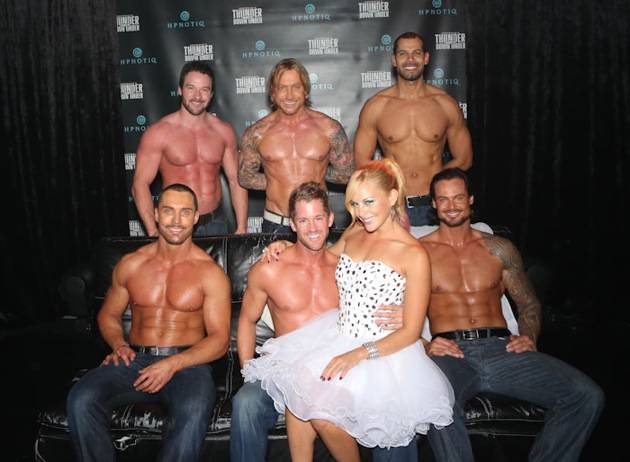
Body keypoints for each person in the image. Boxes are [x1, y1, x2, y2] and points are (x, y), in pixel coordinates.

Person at [242, 160, 454, 460]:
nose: (362, 212)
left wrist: (359, 353)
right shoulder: (355, 233)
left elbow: (410, 331)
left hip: (385, 354)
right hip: (339, 336)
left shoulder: (414, 253)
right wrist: (285, 245)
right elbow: (319, 256)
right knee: (300, 392)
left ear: (392, 197)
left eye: (369, 202)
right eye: (355, 203)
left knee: (370, 436)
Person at [420, 168, 604, 462]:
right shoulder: (419, 253)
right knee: (435, 401)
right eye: (443, 199)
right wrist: (426, 344)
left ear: (471, 199)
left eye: (458, 197)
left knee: (586, 395)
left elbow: (529, 304)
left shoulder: (500, 249)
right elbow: (398, 313)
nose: (451, 205)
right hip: (452, 353)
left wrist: (529, 336)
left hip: (502, 349)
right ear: (433, 204)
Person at [67, 184, 231, 462]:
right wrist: (118, 344)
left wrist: (172, 364)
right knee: (81, 398)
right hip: (135, 360)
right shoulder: (131, 264)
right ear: (155, 213)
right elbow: (108, 314)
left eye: (184, 212)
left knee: (193, 409)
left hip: (187, 364)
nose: (176, 220)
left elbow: (220, 340)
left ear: (195, 217)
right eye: (168, 211)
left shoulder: (210, 273)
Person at [354, 32, 472, 226]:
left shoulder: (445, 104)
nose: (410, 59)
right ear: (394, 60)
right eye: (403, 54)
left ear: (426, 58)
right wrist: (389, 191)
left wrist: (439, 182)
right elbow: (361, 162)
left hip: (436, 204)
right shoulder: (376, 107)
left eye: (416, 53)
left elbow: (464, 159)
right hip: (394, 204)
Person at [132, 61, 248, 236]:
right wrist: (152, 231)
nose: (197, 96)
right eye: (191, 88)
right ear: (180, 90)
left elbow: (236, 181)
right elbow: (140, 184)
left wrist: (242, 228)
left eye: (204, 90)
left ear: (211, 94)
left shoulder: (223, 131)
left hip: (215, 223)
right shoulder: (159, 133)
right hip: (176, 225)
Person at [238, 58, 353, 233]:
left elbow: (347, 174)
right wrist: (277, 180)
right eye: (282, 88)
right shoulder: (256, 133)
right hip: (277, 223)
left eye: (296, 87)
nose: (289, 95)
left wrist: (316, 174)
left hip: (317, 221)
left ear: (305, 90)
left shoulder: (329, 128)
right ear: (272, 92)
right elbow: (245, 177)